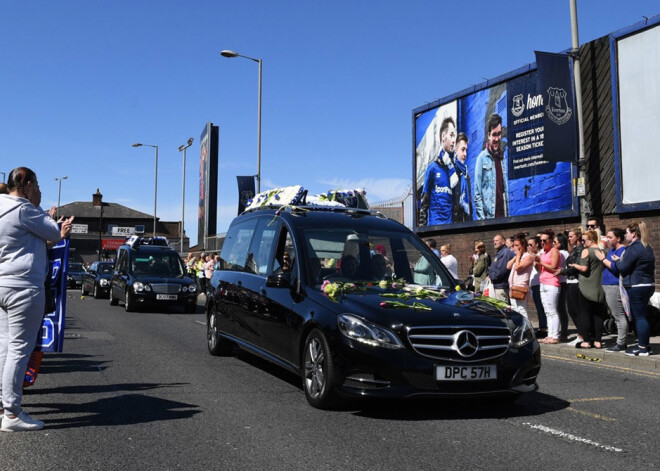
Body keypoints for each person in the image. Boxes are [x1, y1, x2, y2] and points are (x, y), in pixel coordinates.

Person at [0, 167, 73, 432]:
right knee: (20, 349)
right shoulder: (23, 208)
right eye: (37, 184)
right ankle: (11, 414)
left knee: (5, 347)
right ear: (26, 184)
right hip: (23, 287)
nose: (39, 189)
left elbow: (29, 242)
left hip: (2, 283)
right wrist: (56, 223)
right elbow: (53, 234)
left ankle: (3, 405)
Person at [597, 221, 655, 356]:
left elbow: (622, 268)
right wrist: (620, 260)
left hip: (636, 286)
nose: (626, 235)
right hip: (647, 285)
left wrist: (617, 261)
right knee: (641, 316)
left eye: (627, 233)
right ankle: (645, 345)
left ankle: (642, 348)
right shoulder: (646, 246)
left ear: (634, 234)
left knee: (639, 318)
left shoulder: (634, 248)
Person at [570, 230, 606, 349]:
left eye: (584, 240)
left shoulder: (586, 251)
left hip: (586, 286)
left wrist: (575, 265)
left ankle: (586, 341)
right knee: (598, 314)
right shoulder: (602, 251)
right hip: (599, 287)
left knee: (584, 313)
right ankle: (598, 341)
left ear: (592, 240)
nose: (583, 242)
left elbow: (584, 268)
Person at [420, 117, 458, 225]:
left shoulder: (453, 172)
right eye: (451, 135)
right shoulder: (432, 168)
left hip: (450, 228)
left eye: (454, 136)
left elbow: (455, 204)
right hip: (435, 227)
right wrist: (423, 229)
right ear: (443, 136)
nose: (453, 140)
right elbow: (424, 202)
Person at [474, 113, 508, 220]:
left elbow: (504, 191)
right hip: (489, 220)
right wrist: (483, 222)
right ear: (489, 135)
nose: (497, 138)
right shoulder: (481, 158)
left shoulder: (502, 158)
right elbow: (477, 195)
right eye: (494, 134)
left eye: (499, 134)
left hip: (503, 217)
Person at [600, 228, 628, 352]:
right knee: (615, 314)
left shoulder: (623, 250)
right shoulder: (611, 250)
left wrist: (602, 258)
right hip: (607, 285)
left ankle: (621, 343)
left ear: (618, 238)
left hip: (614, 285)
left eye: (610, 237)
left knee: (619, 315)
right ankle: (620, 341)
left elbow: (616, 268)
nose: (608, 239)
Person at [557, 227, 584, 346]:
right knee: (572, 311)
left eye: (571, 236)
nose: (569, 238)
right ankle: (581, 334)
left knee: (577, 311)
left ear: (578, 237)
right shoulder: (574, 250)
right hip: (570, 282)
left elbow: (575, 268)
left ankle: (582, 335)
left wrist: (562, 271)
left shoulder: (580, 250)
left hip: (576, 282)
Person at [536, 230, 560, 344]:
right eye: (541, 241)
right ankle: (549, 335)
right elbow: (540, 269)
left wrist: (540, 261)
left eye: (544, 241)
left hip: (552, 283)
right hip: (543, 282)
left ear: (550, 241)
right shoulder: (543, 253)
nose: (542, 243)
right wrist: (537, 262)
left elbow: (553, 267)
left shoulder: (554, 251)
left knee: (553, 311)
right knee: (547, 311)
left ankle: (555, 336)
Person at [506, 233, 534, 318]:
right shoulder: (518, 257)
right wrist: (516, 256)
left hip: (520, 287)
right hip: (513, 287)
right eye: (513, 245)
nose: (514, 247)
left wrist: (518, 256)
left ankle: (526, 329)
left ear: (523, 245)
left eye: (517, 245)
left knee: (521, 310)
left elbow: (518, 267)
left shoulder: (527, 257)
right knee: (515, 310)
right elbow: (508, 266)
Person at [528, 236, 547, 338]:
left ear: (537, 244)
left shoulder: (540, 254)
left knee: (541, 307)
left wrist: (534, 258)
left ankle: (543, 328)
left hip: (539, 283)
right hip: (533, 284)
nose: (529, 246)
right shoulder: (531, 255)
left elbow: (538, 269)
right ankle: (542, 327)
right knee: (538, 307)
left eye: (531, 244)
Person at [488, 234, 514, 303]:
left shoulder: (505, 253)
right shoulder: (500, 252)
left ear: (503, 242)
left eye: (497, 240)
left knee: (502, 308)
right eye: (494, 241)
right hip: (497, 286)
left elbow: (501, 270)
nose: (494, 242)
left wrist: (492, 277)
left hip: (501, 286)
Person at [452, 132, 472, 222]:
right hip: (454, 224)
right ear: (456, 150)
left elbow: (470, 204)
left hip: (466, 223)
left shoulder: (466, 175)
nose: (465, 154)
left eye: (466, 150)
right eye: (462, 150)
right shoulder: (451, 172)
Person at [554, 233, 570, 341]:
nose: (553, 244)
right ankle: (561, 331)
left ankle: (564, 332)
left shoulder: (562, 253)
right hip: (559, 281)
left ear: (560, 243)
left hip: (562, 282)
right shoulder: (560, 252)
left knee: (561, 308)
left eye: (555, 242)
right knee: (559, 308)